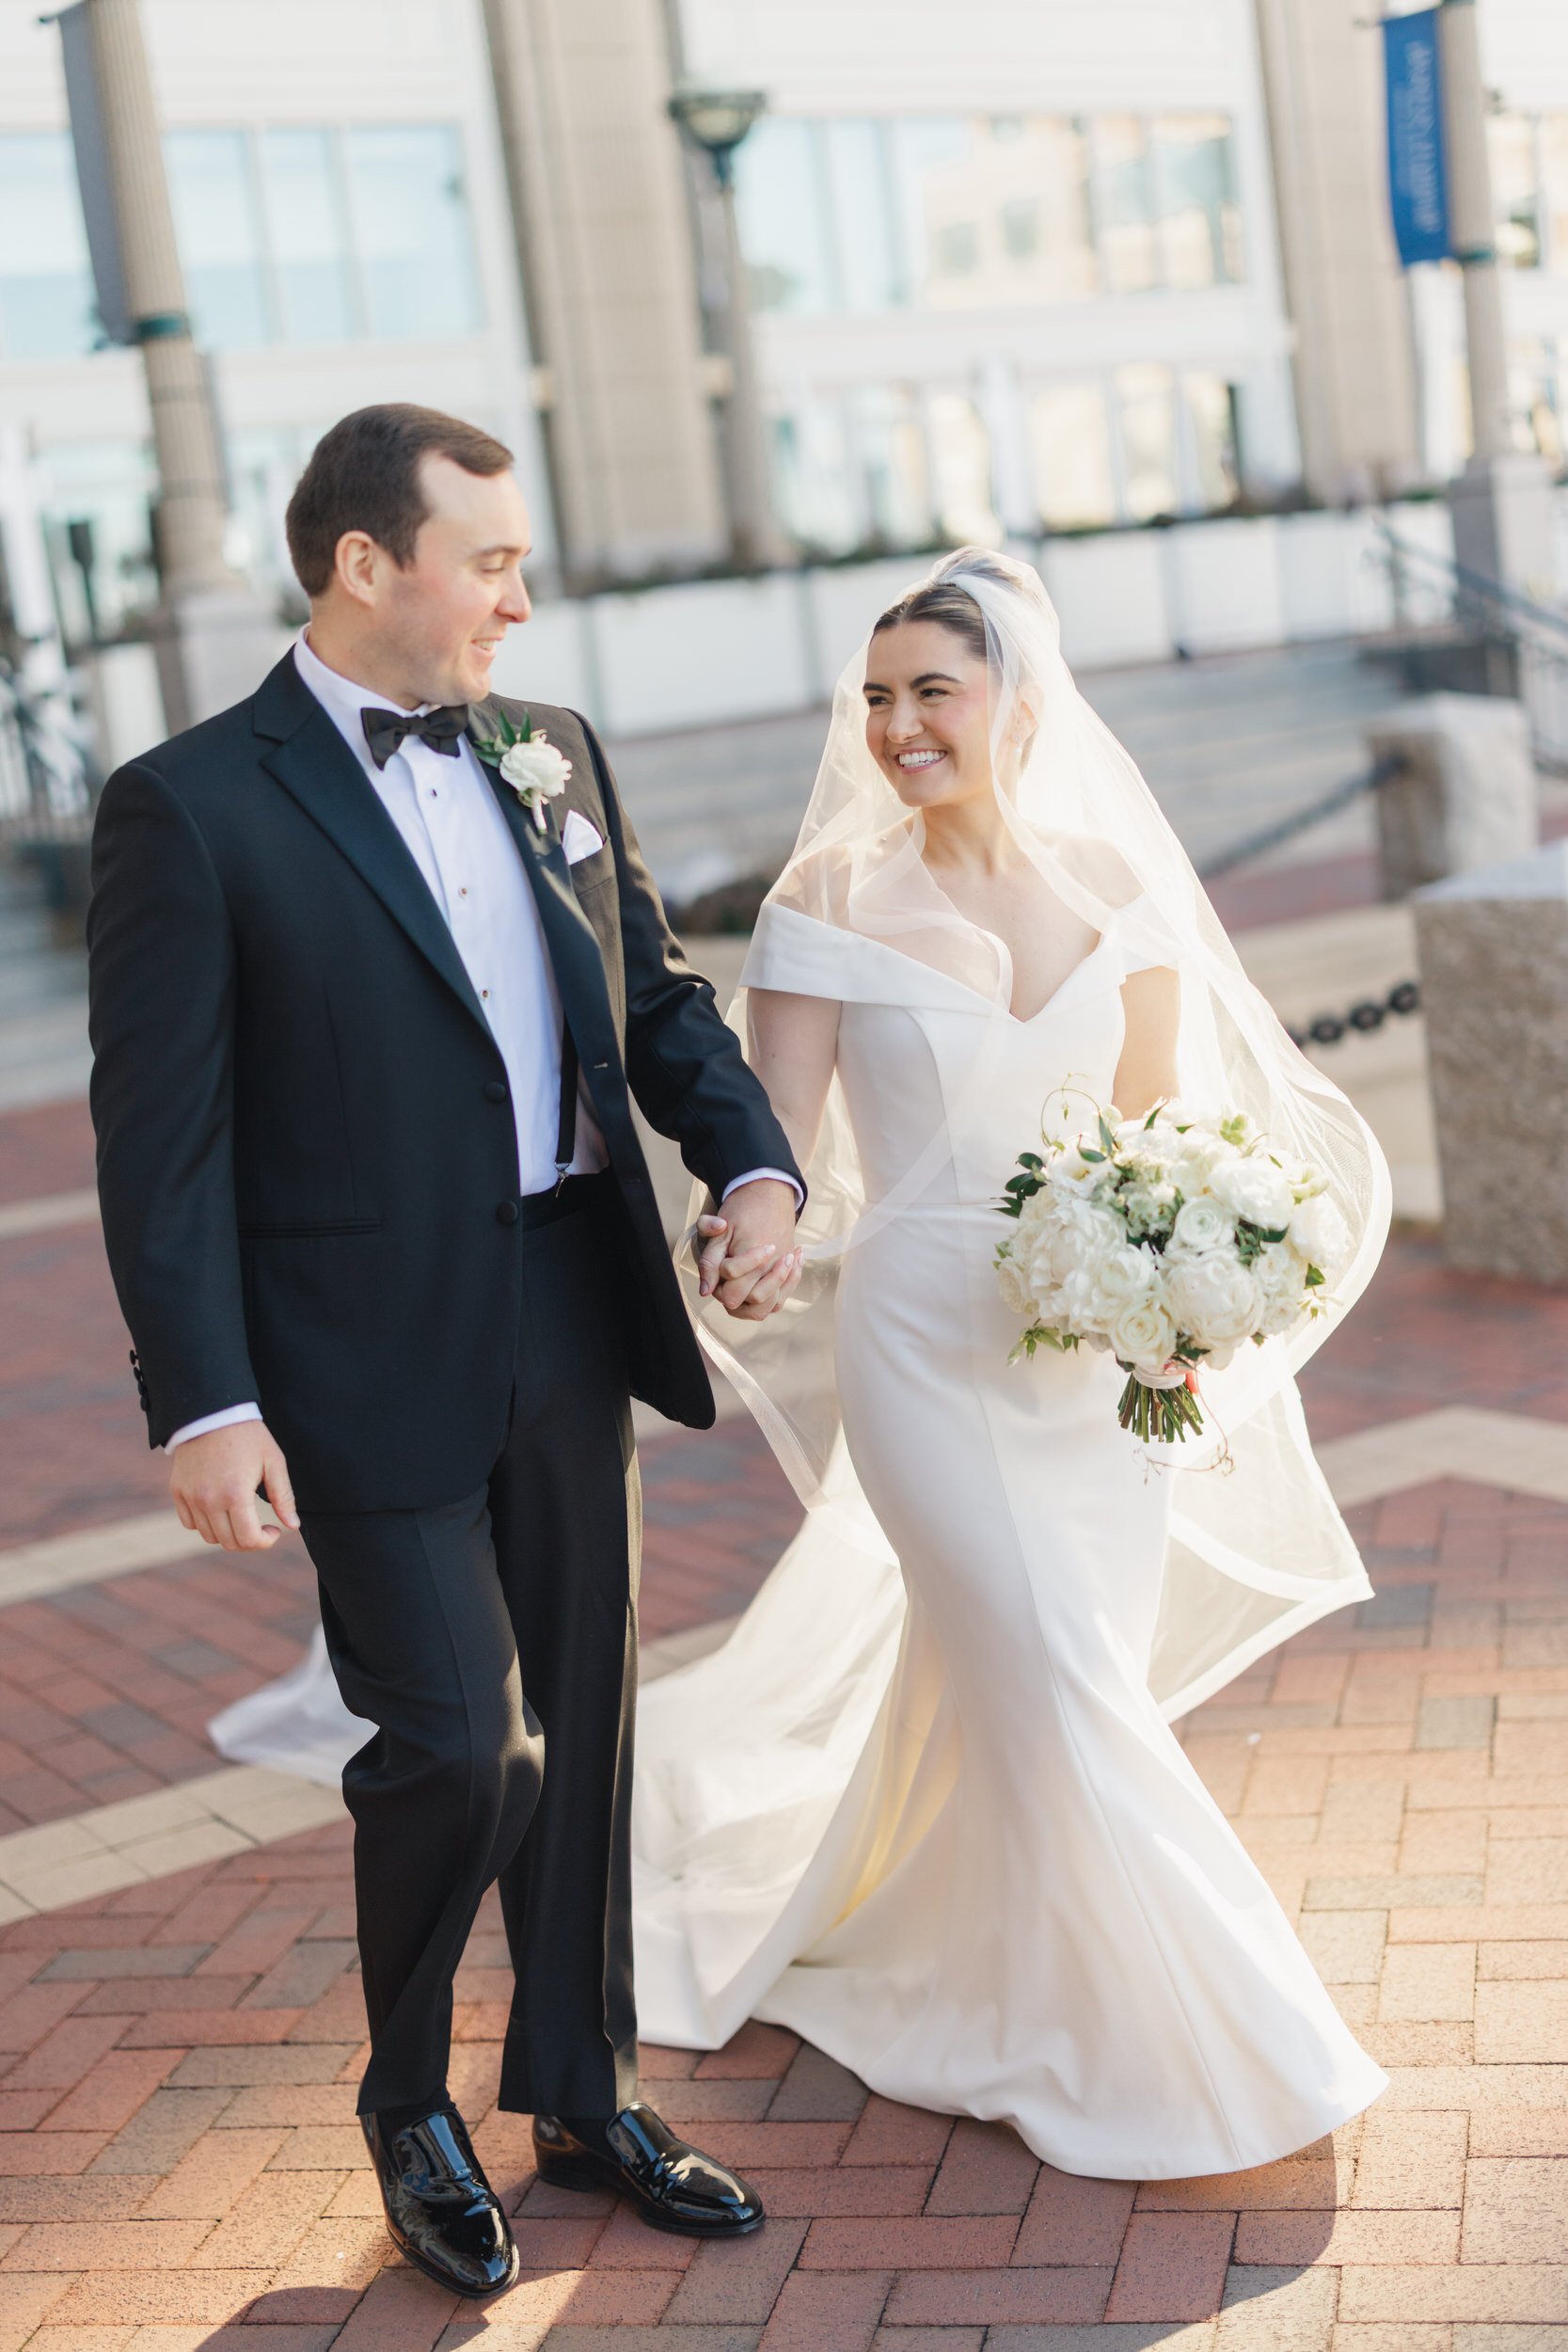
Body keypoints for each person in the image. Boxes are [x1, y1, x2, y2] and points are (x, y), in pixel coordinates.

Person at [212, 546, 1390, 2182]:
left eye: (935, 692)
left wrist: (1175, 1305)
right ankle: (1211, 2031)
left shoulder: (1120, 890)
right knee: (1055, 1676)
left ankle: (985, 1955)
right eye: (879, 695)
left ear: (1019, 705)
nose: (900, 726)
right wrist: (754, 1232)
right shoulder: (827, 900)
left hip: (1094, 1369)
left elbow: (1154, 1134)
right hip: (925, 1351)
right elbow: (775, 1144)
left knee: (1058, 1680)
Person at [87, 403, 807, 2299]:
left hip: (572, 1301)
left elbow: (656, 995)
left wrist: (752, 1161)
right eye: (488, 561)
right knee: (460, 1742)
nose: (519, 597)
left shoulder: (549, 748)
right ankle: (409, 2097)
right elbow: (161, 1145)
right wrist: (206, 1398)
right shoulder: (190, 805)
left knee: (586, 1719)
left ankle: (582, 2089)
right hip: (354, 1352)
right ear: (364, 565)